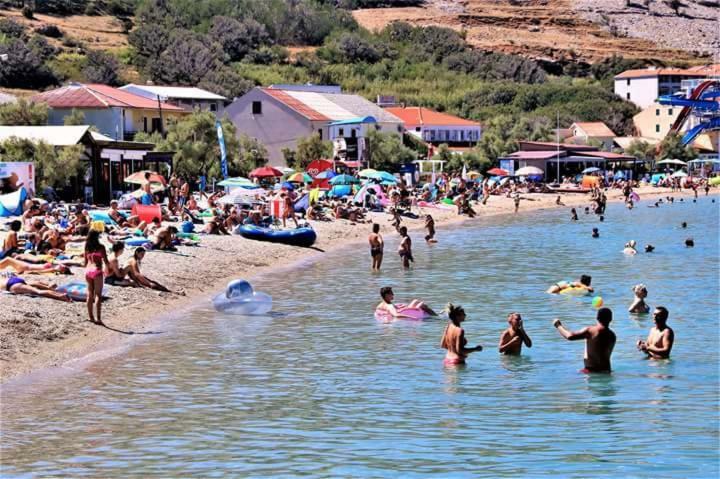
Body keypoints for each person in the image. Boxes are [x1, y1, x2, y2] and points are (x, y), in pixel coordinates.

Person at [553, 308, 616, 373]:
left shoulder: (591, 331)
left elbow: (569, 336)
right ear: (611, 319)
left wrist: (558, 325)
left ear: (597, 318)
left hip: (591, 371)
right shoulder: (612, 335)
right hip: (607, 371)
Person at [84, 229, 109, 324]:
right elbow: (106, 261)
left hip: (88, 270)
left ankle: (91, 317)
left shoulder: (87, 247)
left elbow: (85, 262)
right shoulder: (101, 247)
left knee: (89, 293)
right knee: (98, 294)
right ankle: (98, 319)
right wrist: (107, 269)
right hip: (97, 270)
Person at [0, 271, 70, 301]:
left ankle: (60, 296)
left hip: (11, 285)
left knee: (38, 292)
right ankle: (50, 287)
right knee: (34, 283)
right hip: (13, 279)